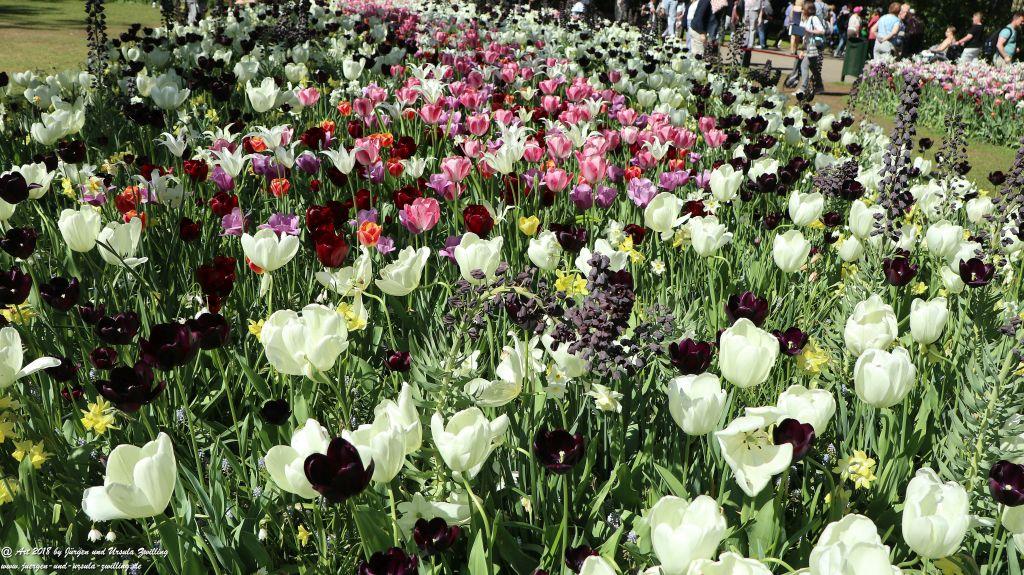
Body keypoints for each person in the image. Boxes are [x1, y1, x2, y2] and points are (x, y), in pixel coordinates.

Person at [798, 2, 826, 97]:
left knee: (804, 65)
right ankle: (819, 87)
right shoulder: (806, 20)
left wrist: (809, 31)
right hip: (810, 47)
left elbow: (822, 30)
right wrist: (802, 50)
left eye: (803, 9)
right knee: (813, 68)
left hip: (815, 47)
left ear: (807, 10)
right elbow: (805, 38)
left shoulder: (814, 19)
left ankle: (803, 88)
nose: (801, 11)